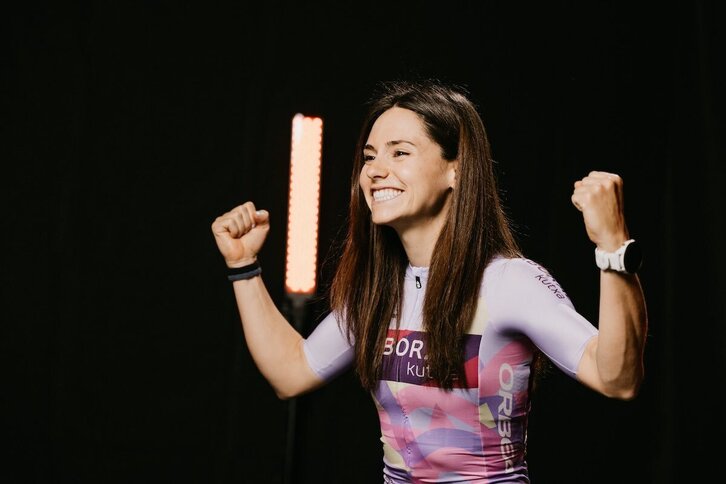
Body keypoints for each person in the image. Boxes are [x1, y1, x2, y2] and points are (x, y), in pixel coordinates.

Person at [210, 79, 648, 483]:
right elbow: (291, 372)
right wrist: (244, 268)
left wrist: (613, 246)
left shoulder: (509, 283)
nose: (375, 171)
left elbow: (617, 378)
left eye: (399, 152)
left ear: (456, 170)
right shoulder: (377, 293)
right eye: (369, 156)